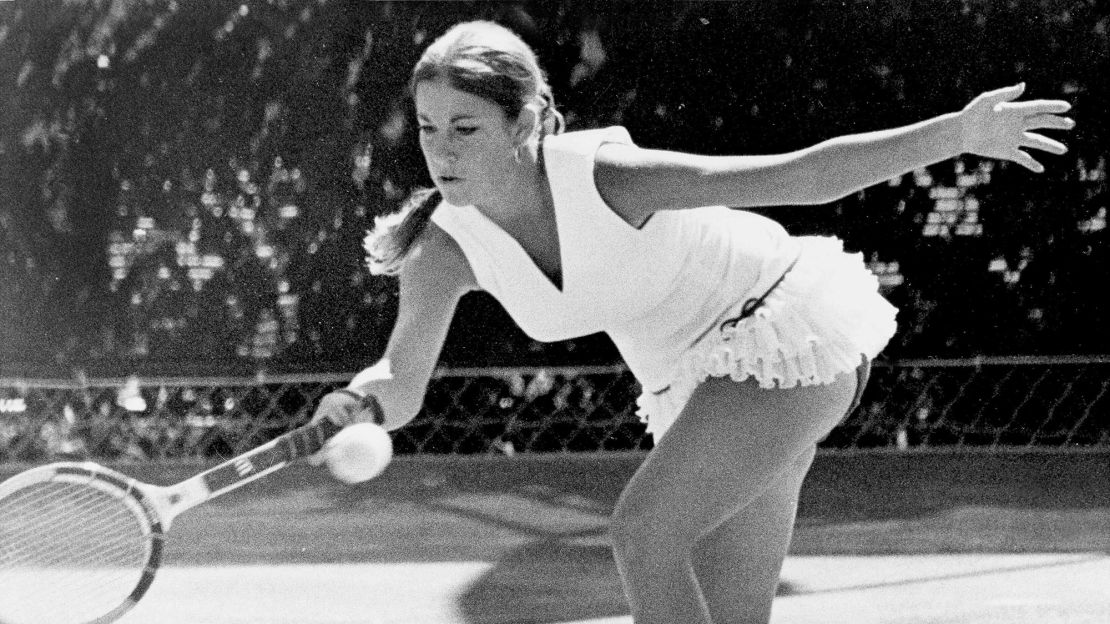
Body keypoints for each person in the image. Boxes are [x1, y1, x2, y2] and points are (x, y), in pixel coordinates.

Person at [310, 20, 1074, 624]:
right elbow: (400, 382)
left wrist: (957, 135)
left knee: (644, 531)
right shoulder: (442, 244)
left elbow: (798, 175)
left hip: (784, 332)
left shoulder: (609, 177)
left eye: (465, 128)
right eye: (427, 128)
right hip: (699, 390)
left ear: (527, 121)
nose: (440, 151)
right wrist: (360, 402)